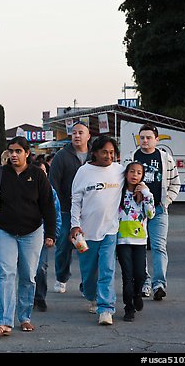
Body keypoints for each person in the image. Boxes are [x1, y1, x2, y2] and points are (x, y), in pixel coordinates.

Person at [0, 136, 56, 336]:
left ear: (27, 153)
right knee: (6, 274)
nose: (14, 155)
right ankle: (4, 322)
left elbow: (47, 205)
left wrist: (50, 233)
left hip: (33, 232)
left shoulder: (38, 175)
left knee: (28, 276)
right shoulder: (0, 173)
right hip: (4, 231)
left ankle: (25, 317)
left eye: (18, 151)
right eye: (11, 151)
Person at [70, 135, 124, 326]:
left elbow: (136, 177)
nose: (109, 156)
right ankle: (90, 294)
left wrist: (140, 188)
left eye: (111, 152)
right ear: (94, 153)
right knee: (88, 270)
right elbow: (75, 201)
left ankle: (106, 309)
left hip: (110, 230)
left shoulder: (120, 171)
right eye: (104, 152)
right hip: (85, 233)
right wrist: (74, 225)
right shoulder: (83, 172)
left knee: (107, 269)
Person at [132, 123, 181, 300]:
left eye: (148, 138)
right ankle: (144, 283)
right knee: (140, 248)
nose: (144, 141)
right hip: (137, 212)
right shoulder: (132, 157)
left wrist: (166, 202)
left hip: (159, 210)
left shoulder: (165, 158)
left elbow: (176, 183)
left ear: (156, 140)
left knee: (159, 247)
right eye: (142, 138)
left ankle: (159, 284)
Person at [49, 120, 91, 294]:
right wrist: (55, 208)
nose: (77, 135)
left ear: (88, 136)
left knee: (87, 248)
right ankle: (61, 277)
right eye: (74, 132)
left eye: (81, 132)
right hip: (66, 209)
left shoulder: (93, 156)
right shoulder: (62, 156)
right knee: (64, 246)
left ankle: (86, 283)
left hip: (88, 211)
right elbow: (53, 184)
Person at [117, 161, 156, 322]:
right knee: (127, 275)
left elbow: (151, 214)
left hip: (140, 240)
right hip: (122, 240)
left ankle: (137, 294)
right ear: (126, 174)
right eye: (132, 171)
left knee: (140, 274)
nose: (135, 175)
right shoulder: (118, 192)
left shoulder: (144, 194)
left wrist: (146, 193)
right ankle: (129, 307)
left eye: (139, 173)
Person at [32, 160, 62, 312]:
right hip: (25, 234)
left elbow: (56, 215)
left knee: (40, 267)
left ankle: (39, 296)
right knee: (27, 269)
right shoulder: (24, 188)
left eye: (43, 172)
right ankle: (28, 296)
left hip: (43, 234)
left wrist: (53, 234)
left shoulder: (51, 192)